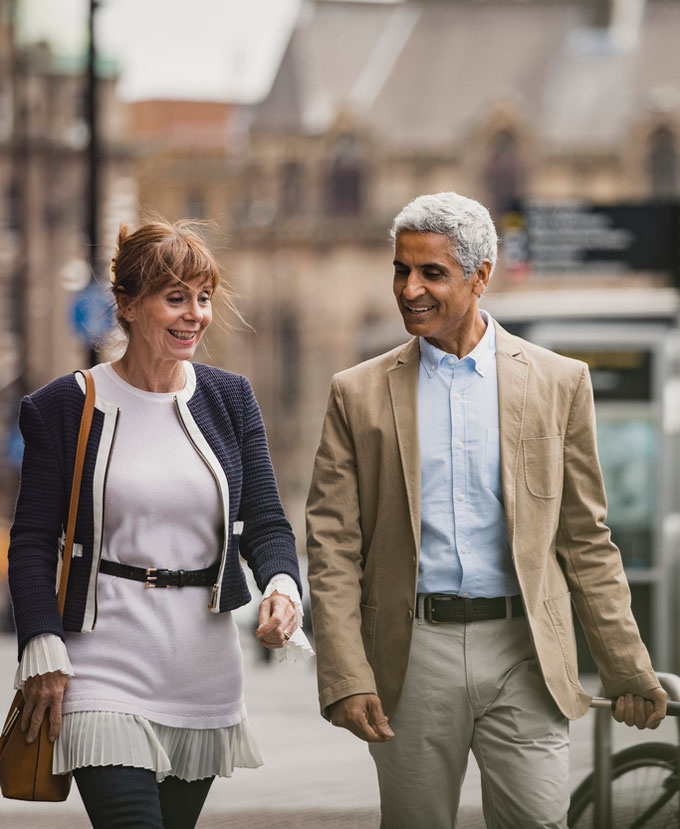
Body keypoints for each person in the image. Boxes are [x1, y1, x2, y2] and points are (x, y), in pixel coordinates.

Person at [306, 192, 667, 829]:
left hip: (524, 651)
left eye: (432, 273)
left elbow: (586, 539)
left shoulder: (559, 382)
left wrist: (627, 667)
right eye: (400, 270)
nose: (409, 288)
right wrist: (344, 672)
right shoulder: (356, 393)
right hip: (411, 655)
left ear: (481, 277)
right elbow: (333, 545)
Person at [8, 219, 303, 828]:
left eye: (203, 298)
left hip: (201, 669)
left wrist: (281, 586)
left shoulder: (230, 398)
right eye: (176, 298)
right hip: (100, 668)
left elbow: (268, 521)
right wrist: (42, 641)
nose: (194, 314)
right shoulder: (64, 406)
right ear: (128, 305)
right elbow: (33, 542)